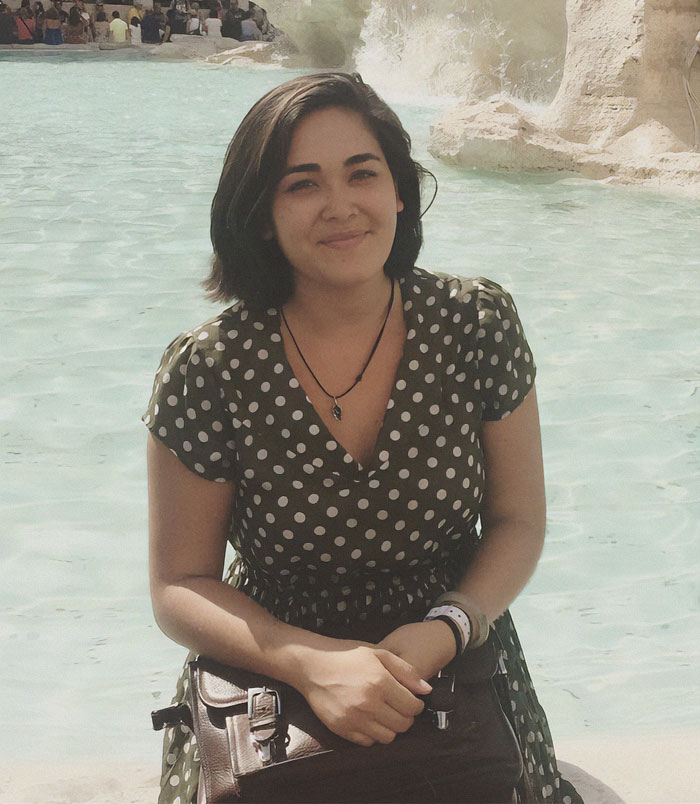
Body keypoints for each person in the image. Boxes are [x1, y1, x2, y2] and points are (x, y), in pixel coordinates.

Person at [143, 71, 584, 804]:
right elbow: (179, 586)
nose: (340, 207)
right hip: (271, 681)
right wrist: (312, 664)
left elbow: (518, 521)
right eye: (302, 184)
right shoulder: (212, 366)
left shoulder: (475, 324)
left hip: (452, 658)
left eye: (362, 173)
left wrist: (445, 626)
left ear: (401, 190)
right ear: (260, 215)